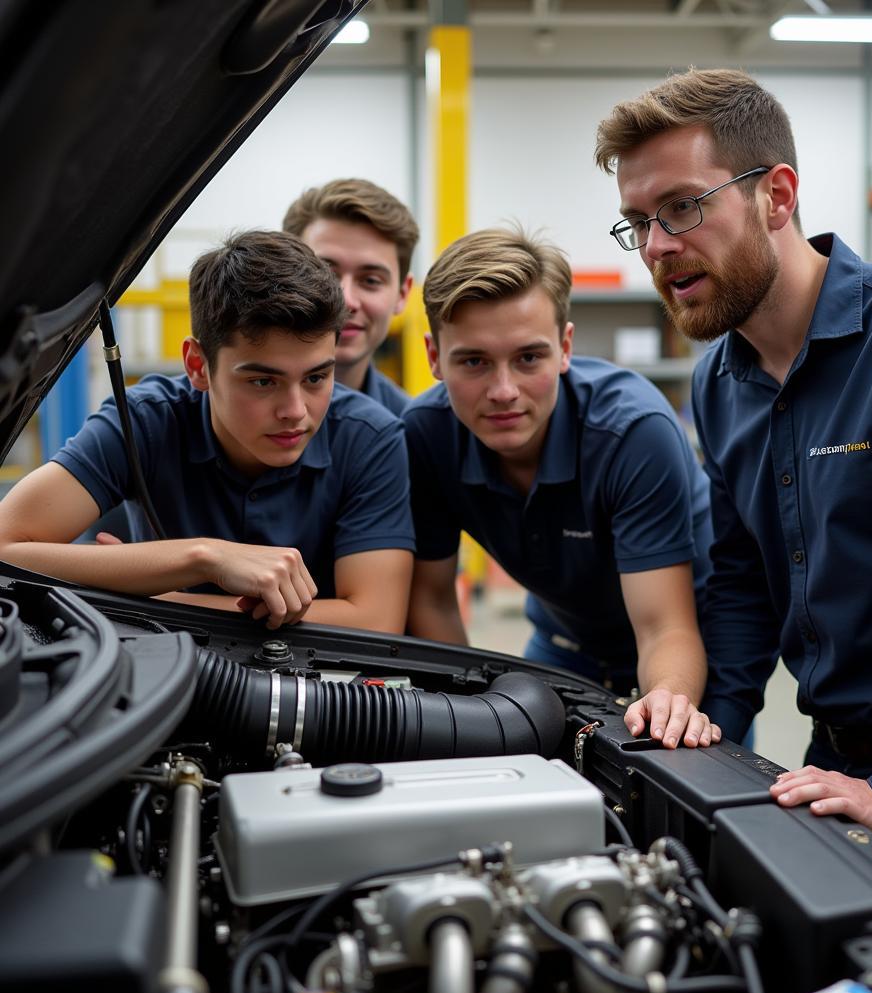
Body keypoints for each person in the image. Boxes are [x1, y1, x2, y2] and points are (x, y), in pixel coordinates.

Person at [597, 67, 872, 921]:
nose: (656, 246)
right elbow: (744, 582)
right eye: (638, 222)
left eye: (682, 207)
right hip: (824, 748)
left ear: (777, 196)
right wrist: (700, 730)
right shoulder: (720, 380)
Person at [0, 230, 415, 632]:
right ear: (198, 365)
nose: (295, 411)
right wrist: (203, 557)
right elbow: (4, 546)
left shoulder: (371, 438)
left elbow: (376, 621)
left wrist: (156, 596)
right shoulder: (145, 420)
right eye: (263, 382)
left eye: (316, 378)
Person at [403, 226, 719, 751]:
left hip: (688, 642)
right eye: (474, 361)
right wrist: (460, 724)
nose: (504, 392)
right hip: (562, 641)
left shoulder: (632, 433)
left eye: (529, 358)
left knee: (681, 777)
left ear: (565, 347)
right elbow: (433, 602)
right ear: (435, 357)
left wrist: (667, 699)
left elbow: (665, 627)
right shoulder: (425, 434)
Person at [283, 178, 418, 415]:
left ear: (402, 294)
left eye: (371, 281)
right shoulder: (210, 408)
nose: (346, 301)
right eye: (325, 274)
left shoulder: (413, 433)